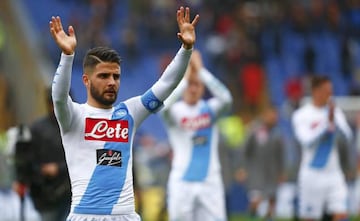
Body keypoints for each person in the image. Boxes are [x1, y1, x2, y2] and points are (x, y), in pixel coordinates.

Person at [49, 6, 199, 221]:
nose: (111, 82)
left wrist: (186, 49)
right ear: (86, 80)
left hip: (125, 215)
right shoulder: (74, 116)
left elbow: (165, 85)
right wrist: (67, 56)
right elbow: (59, 97)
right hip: (86, 215)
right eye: (103, 76)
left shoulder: (129, 113)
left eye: (116, 76)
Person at [160, 49, 232, 221]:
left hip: (210, 181)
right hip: (182, 181)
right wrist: (186, 77)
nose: (192, 89)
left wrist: (200, 71)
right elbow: (164, 105)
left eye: (197, 84)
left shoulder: (211, 109)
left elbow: (227, 99)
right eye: (190, 84)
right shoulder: (175, 112)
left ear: (203, 88)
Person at [292, 75, 353, 221]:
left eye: (330, 91)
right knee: (310, 217)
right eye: (326, 91)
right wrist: (326, 125)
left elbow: (348, 137)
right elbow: (306, 140)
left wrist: (335, 122)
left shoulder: (335, 112)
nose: (329, 95)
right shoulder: (301, 115)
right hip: (311, 174)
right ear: (315, 91)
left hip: (333, 173)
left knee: (341, 214)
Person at [12, 88, 71, 221]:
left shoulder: (75, 127)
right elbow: (25, 159)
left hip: (71, 192)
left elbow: (83, 158)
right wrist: (21, 180)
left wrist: (59, 168)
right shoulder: (36, 129)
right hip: (46, 194)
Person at [240, 105, 286, 220]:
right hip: (256, 173)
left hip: (272, 174)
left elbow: (281, 154)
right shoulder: (254, 129)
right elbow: (245, 149)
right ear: (265, 115)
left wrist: (282, 172)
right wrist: (242, 168)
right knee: (256, 200)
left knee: (271, 201)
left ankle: (269, 218)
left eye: (275, 115)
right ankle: (252, 215)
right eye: (271, 115)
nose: (273, 118)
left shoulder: (278, 133)